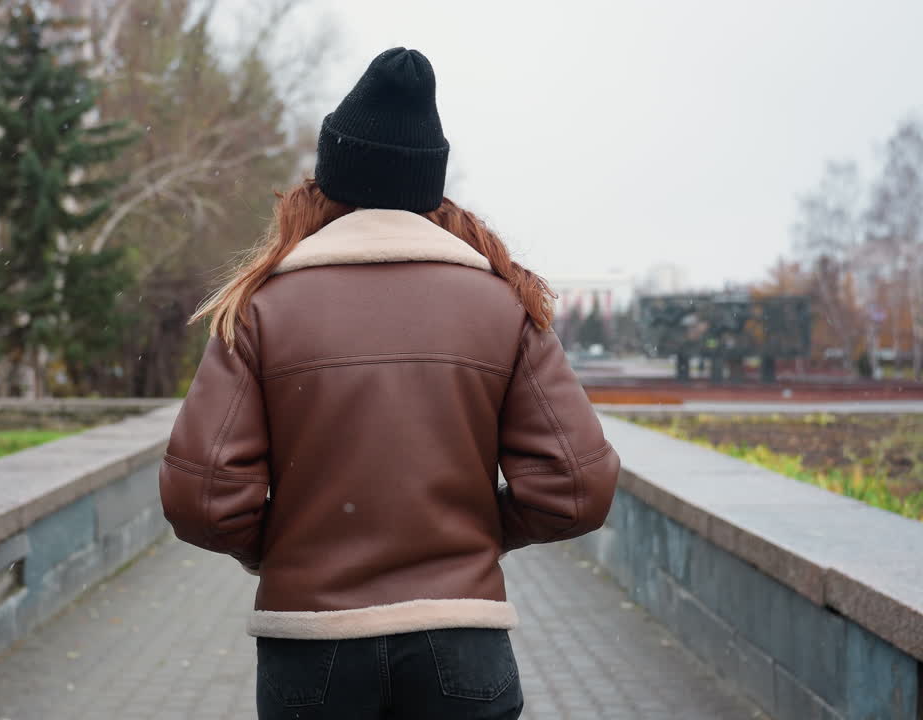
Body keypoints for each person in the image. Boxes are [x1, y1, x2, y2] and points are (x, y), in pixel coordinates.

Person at [159, 47, 619, 720]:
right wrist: (475, 534)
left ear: (330, 178)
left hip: (312, 649)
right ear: (427, 186)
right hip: (462, 645)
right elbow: (578, 489)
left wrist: (283, 546)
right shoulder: (503, 305)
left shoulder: (261, 306)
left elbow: (200, 498)